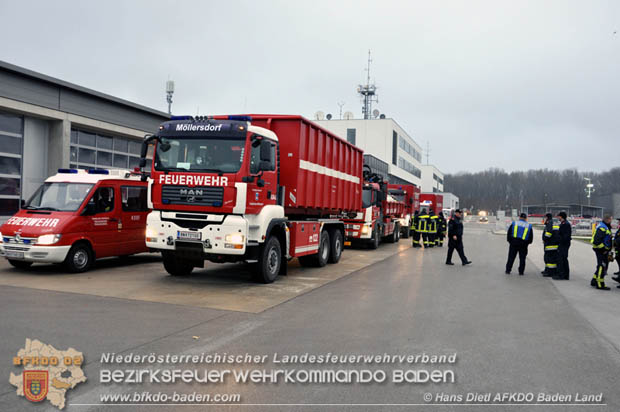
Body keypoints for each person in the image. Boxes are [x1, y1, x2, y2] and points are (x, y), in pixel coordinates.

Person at [591, 215, 613, 291]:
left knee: (600, 265)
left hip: (602, 250)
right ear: (608, 219)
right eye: (611, 219)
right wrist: (603, 249)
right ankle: (600, 284)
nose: (611, 221)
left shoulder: (605, 226)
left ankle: (594, 280)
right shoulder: (602, 228)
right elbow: (597, 241)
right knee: (602, 266)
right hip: (601, 250)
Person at [554, 211, 571, 280]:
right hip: (564, 243)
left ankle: (561, 275)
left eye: (559, 216)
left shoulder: (565, 224)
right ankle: (565, 275)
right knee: (563, 259)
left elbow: (565, 236)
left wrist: (559, 239)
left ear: (561, 217)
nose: (558, 217)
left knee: (561, 259)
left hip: (564, 244)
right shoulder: (564, 223)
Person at [542, 213, 560, 278]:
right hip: (553, 244)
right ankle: (547, 270)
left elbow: (548, 233)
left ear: (547, 217)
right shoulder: (553, 222)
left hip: (550, 245)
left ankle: (550, 272)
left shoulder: (550, 223)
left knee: (549, 259)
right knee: (549, 259)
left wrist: (545, 239)